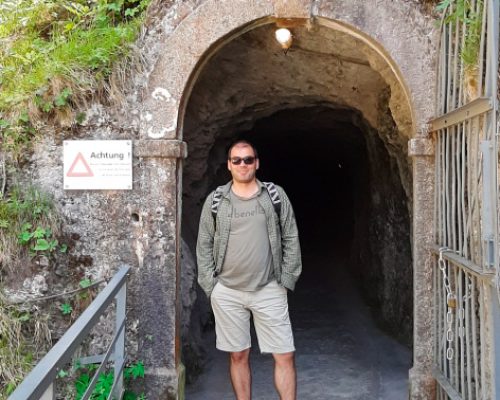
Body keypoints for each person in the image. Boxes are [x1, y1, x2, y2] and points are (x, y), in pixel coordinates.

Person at [196, 139, 302, 400]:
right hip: (228, 292)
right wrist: (211, 285)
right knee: (238, 355)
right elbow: (204, 242)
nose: (243, 164)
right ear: (229, 165)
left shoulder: (274, 195)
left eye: (248, 159)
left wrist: (286, 279)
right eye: (237, 160)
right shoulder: (216, 200)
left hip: (269, 288)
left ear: (257, 163)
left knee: (285, 354)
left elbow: (290, 236)